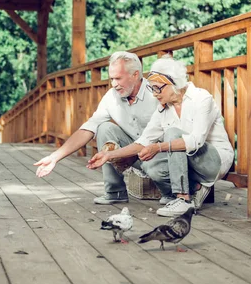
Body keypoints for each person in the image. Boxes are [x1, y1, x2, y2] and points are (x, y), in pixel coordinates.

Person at [87, 55, 234, 217]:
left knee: (172, 134)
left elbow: (195, 141)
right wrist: (109, 155)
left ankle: (183, 199)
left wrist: (158, 147)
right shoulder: (164, 107)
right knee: (150, 166)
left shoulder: (201, 98)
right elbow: (144, 141)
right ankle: (194, 189)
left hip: (212, 162)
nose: (155, 94)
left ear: (174, 83)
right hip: (186, 165)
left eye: (158, 88)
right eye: (152, 88)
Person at [33, 51, 158, 204]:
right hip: (133, 155)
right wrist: (54, 158)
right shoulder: (111, 96)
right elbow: (88, 129)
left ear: (135, 74)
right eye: (112, 78)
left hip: (158, 155)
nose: (114, 84)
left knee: (159, 172)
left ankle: (175, 195)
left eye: (118, 78)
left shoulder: (157, 92)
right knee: (104, 127)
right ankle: (115, 192)